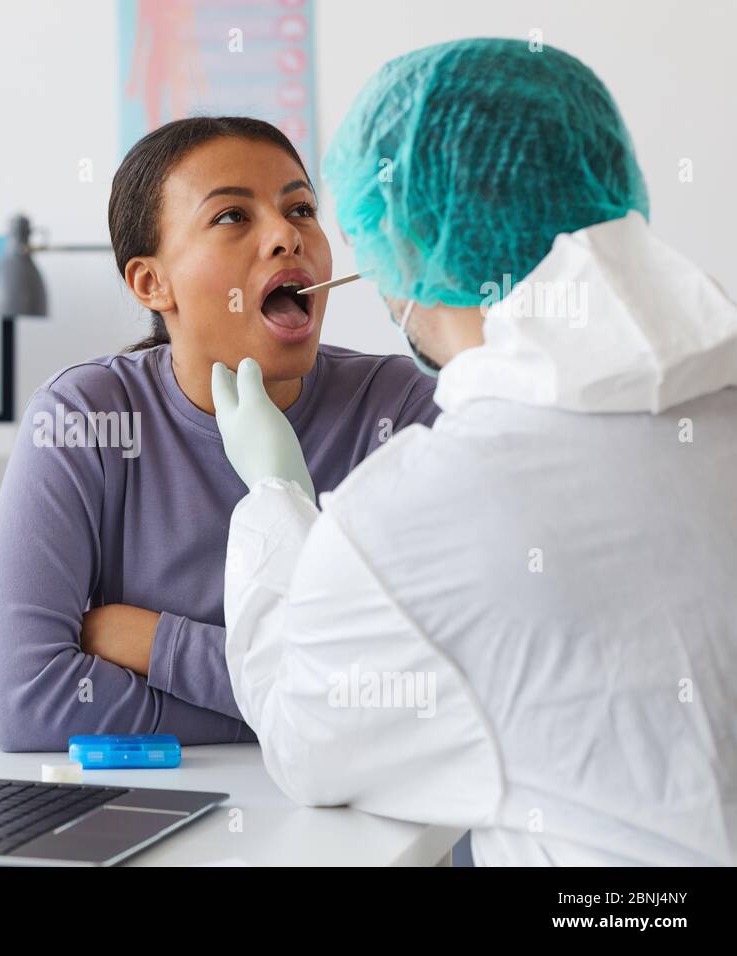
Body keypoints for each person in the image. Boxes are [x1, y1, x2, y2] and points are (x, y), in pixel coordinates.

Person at [211, 37, 737, 865]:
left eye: (316, 213)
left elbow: (305, 745)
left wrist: (277, 501)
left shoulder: (408, 518)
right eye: (232, 215)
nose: (290, 241)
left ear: (402, 245)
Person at [0, 116, 439, 751]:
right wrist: (299, 712)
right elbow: (22, 701)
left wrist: (152, 641)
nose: (286, 236)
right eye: (231, 217)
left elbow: (421, 692)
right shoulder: (84, 418)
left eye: (300, 208)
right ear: (150, 282)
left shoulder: (400, 406)